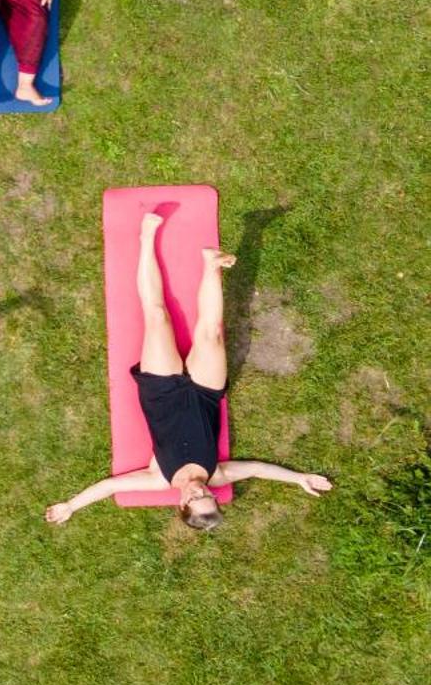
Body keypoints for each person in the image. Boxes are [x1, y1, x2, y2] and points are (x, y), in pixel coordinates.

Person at [43, 212, 332, 530]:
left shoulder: (158, 478)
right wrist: (299, 478)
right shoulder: (216, 473)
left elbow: (112, 486)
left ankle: (146, 238)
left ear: (181, 504)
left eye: (195, 498)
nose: (201, 489)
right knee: (211, 332)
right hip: (205, 394)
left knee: (156, 316)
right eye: (208, 494)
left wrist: (71, 505)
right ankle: (211, 265)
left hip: (161, 390)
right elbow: (256, 469)